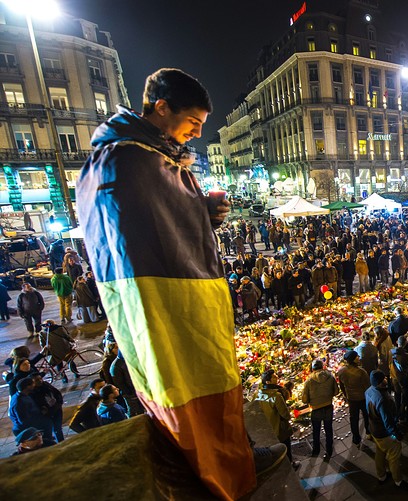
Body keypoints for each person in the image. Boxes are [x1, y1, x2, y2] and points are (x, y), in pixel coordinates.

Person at [78, 68, 276, 498]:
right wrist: (193, 213)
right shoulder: (127, 159)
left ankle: (229, 452)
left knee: (207, 374)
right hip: (164, 298)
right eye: (193, 123)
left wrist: (202, 215)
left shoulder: (152, 156)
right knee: (190, 379)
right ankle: (216, 465)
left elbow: (167, 219)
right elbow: (144, 227)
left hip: (180, 289)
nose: (197, 133)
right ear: (161, 107)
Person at [365, 370, 408, 490]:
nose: (387, 379)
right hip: (384, 433)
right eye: (384, 378)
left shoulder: (369, 391)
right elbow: (388, 421)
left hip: (374, 429)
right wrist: (396, 434)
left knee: (380, 451)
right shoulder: (383, 399)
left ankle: (382, 476)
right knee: (394, 456)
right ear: (380, 382)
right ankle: (398, 481)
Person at [301, 358, 338, 459]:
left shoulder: (309, 381)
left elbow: (304, 399)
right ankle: (329, 450)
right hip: (328, 407)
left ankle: (316, 450)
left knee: (316, 431)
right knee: (328, 430)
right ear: (322, 367)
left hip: (316, 409)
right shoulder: (330, 376)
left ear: (313, 369)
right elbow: (336, 392)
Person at [255, 370, 294, 460]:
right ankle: (290, 465)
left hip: (266, 429)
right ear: (268, 381)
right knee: (285, 449)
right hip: (279, 429)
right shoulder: (276, 395)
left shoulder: (257, 394)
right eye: (274, 377)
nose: (276, 377)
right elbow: (285, 415)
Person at [337, 350, 370, 445]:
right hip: (362, 397)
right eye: (357, 357)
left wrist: (346, 394)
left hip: (351, 398)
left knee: (353, 418)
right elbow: (367, 385)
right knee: (366, 415)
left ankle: (356, 437)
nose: (359, 358)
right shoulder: (361, 372)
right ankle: (368, 431)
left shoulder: (341, 371)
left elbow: (342, 386)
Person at [8, 378, 55, 444]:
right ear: (27, 386)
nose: (34, 385)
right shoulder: (19, 402)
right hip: (29, 430)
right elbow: (23, 421)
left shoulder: (23, 396)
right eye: (33, 383)